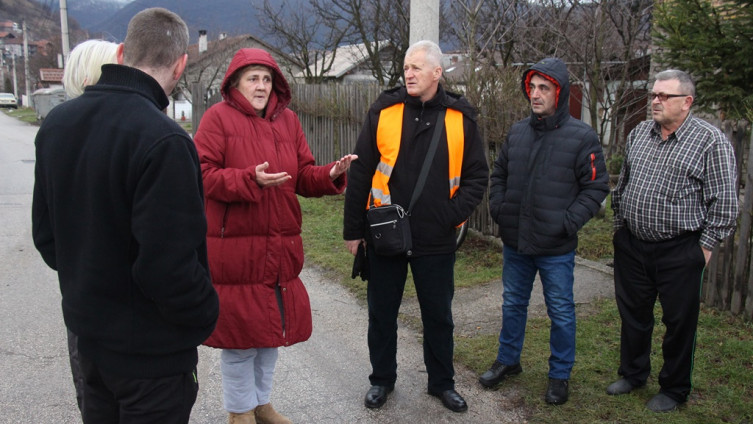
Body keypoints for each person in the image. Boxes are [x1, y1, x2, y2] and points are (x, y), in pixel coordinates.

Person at [32, 8, 219, 424]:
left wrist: (92, 284)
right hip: (151, 360)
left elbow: (47, 237)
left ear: (120, 52)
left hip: (90, 344)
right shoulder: (166, 140)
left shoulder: (58, 124)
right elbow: (167, 267)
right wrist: (206, 312)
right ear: (181, 63)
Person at [193, 48, 356, 424]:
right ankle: (239, 413)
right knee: (240, 342)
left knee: (269, 335)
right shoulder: (217, 119)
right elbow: (200, 174)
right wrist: (249, 179)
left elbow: (301, 175)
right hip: (237, 248)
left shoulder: (288, 121)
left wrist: (330, 174)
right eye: (253, 78)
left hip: (280, 244)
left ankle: (261, 405)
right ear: (235, 82)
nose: (261, 86)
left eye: (267, 79)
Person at [343, 40, 489, 413]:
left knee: (439, 316)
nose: (408, 73)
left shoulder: (461, 117)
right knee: (382, 313)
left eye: (417, 68)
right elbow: (360, 172)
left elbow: (477, 177)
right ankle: (381, 380)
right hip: (385, 233)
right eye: (406, 67)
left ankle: (442, 383)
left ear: (437, 73)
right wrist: (353, 230)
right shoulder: (385, 110)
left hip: (436, 237)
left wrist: (451, 215)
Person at [607, 69, 739, 412]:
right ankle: (633, 373)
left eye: (664, 96)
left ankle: (674, 388)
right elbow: (623, 185)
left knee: (679, 323)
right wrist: (620, 229)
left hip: (680, 249)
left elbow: (724, 203)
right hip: (633, 244)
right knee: (633, 314)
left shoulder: (710, 141)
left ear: (687, 102)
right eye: (653, 95)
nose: (655, 101)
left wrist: (704, 249)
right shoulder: (640, 132)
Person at [480, 57, 609, 405]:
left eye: (544, 88)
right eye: (532, 88)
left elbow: (596, 188)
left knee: (562, 311)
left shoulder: (582, 137)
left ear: (559, 92)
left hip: (556, 247)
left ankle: (559, 375)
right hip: (517, 241)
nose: (535, 95)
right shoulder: (518, 131)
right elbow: (500, 174)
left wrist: (566, 223)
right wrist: (500, 210)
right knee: (513, 304)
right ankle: (508, 360)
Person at [57, 38, 119, 414]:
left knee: (93, 395)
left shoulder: (57, 130)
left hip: (80, 291)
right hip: (117, 295)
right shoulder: (123, 129)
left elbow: (46, 231)